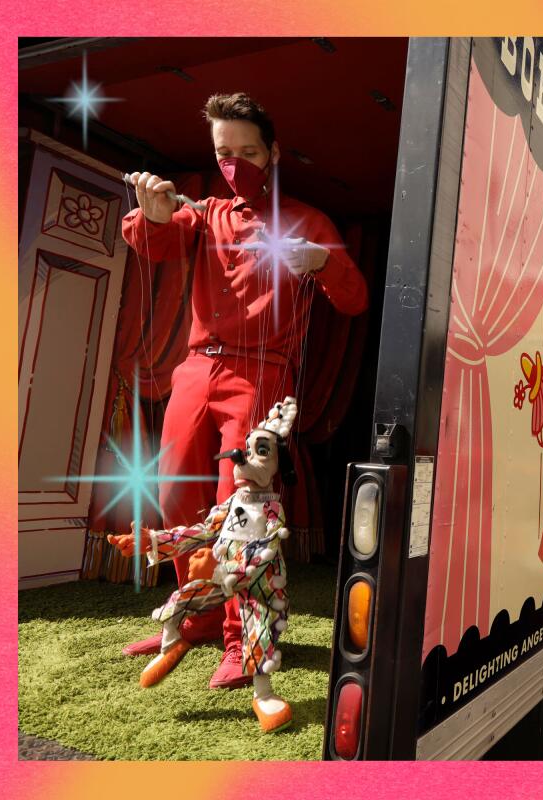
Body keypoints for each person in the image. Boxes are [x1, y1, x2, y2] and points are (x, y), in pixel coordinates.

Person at [119, 92, 369, 689]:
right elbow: (150, 242)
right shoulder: (204, 212)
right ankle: (200, 617)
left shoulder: (308, 221)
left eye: (247, 152)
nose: (234, 164)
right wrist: (151, 214)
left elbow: (354, 297)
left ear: (274, 152)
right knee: (175, 492)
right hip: (194, 370)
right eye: (222, 153)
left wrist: (320, 262)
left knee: (243, 511)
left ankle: (243, 640)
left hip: (262, 375)